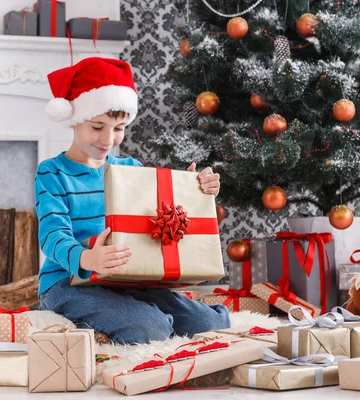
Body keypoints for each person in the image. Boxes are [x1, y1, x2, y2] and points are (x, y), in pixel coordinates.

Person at [35, 57, 230, 344]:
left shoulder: (130, 168)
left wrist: (190, 190)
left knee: (211, 323)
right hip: (67, 283)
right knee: (150, 328)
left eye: (118, 128)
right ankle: (127, 321)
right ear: (74, 121)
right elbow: (52, 235)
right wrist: (87, 258)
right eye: (97, 126)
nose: (108, 138)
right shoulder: (52, 172)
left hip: (127, 279)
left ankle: (138, 313)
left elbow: (154, 221)